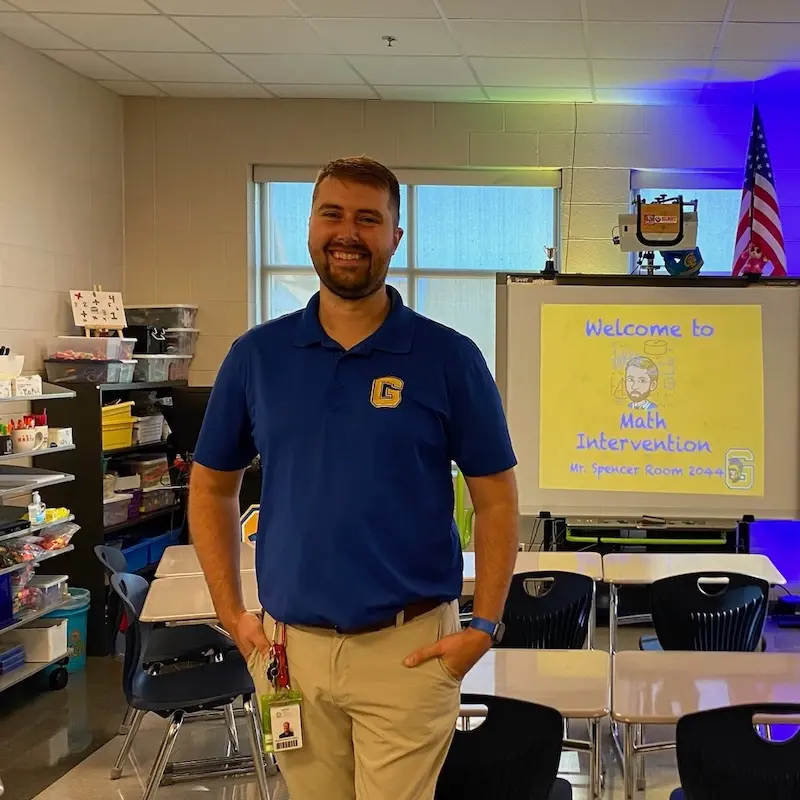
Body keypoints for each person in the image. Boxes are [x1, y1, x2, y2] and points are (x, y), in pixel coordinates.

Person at [189, 156, 519, 800]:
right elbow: (210, 486)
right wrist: (231, 614)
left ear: (396, 237)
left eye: (369, 218)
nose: (348, 232)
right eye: (332, 214)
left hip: (410, 651)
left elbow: (498, 501)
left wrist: (483, 628)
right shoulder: (257, 357)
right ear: (310, 225)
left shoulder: (449, 357)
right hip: (289, 656)